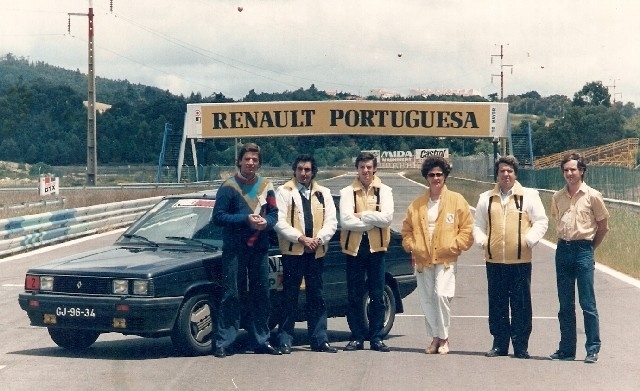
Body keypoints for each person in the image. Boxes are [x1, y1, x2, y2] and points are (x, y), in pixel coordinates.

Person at [473, 155, 548, 359]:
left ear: (515, 174)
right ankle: (499, 344)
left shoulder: (529, 196)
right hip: (494, 260)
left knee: (521, 304)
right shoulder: (485, 198)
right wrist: (483, 241)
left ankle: (521, 345)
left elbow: (541, 221)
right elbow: (478, 225)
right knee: (497, 303)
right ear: (496, 174)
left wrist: (529, 240)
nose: (506, 175)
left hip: (520, 261)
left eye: (510, 171)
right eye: (502, 171)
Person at [212, 142, 281, 357]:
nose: (251, 163)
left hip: (259, 249)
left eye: (255, 160)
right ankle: (225, 342)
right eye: (247, 159)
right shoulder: (228, 187)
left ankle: (261, 339)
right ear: (239, 161)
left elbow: (274, 214)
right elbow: (218, 217)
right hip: (235, 249)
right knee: (231, 294)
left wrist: (266, 223)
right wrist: (245, 219)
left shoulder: (267, 186)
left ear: (259, 163)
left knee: (261, 295)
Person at [401, 156, 474, 355]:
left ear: (445, 176)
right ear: (426, 177)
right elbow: (406, 230)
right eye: (432, 175)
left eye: (439, 174)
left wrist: (455, 245)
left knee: (441, 295)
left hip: (446, 258)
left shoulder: (457, 200)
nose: (436, 178)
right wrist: (413, 246)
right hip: (424, 259)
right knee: (427, 299)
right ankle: (434, 339)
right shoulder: (417, 204)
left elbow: (467, 228)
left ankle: (445, 338)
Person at [274, 154, 338, 354]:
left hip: (316, 252)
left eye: (307, 169)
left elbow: (332, 222)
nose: (303, 173)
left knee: (317, 296)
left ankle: (320, 340)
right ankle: (285, 339)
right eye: (300, 169)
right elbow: (279, 221)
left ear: (313, 171)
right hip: (294, 252)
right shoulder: (284, 191)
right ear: (295, 170)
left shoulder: (323, 193)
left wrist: (318, 239)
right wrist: (301, 238)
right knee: (290, 296)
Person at [549, 152, 609, 364]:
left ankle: (592, 348)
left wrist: (590, 248)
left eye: (573, 169)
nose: (569, 173)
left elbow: (603, 227)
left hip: (583, 249)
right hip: (563, 250)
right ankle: (566, 349)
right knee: (565, 304)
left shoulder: (593, 196)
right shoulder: (557, 197)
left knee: (587, 303)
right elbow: (558, 220)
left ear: (582, 171)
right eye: (566, 170)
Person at [340, 151, 394, 352]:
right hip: (353, 249)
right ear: (357, 169)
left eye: (369, 167)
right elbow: (346, 220)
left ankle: (377, 337)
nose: (366, 171)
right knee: (353, 295)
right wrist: (371, 222)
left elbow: (387, 218)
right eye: (362, 167)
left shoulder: (385, 190)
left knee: (377, 294)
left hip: (376, 248)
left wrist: (362, 215)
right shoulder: (347, 192)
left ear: (375, 169)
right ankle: (356, 336)